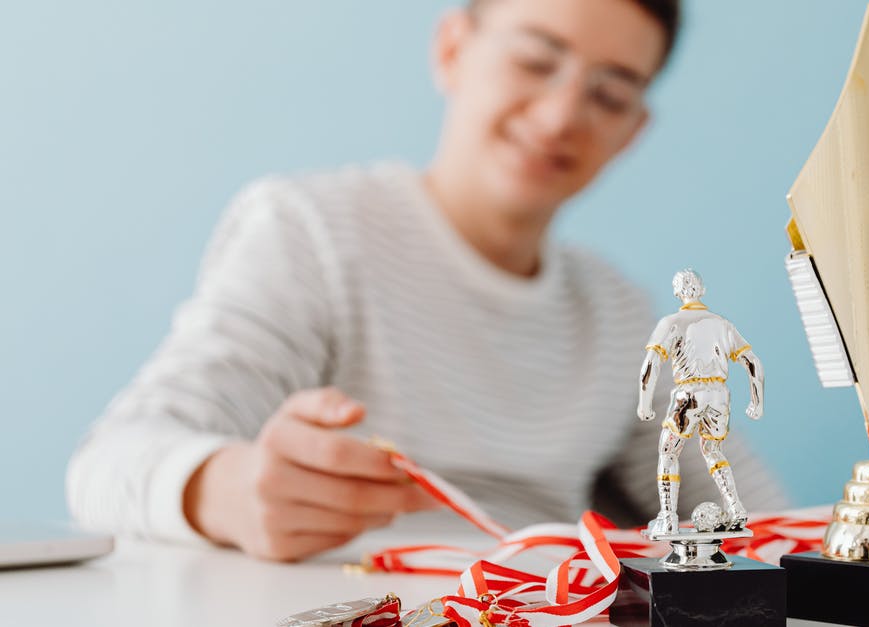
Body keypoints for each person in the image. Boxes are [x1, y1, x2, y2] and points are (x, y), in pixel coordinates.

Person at [67, 0, 786, 562]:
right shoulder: (311, 234)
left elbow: (762, 520)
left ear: (632, 130)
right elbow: (108, 464)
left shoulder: (620, 314)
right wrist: (225, 490)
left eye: (609, 94)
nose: (563, 113)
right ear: (452, 50)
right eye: (537, 60)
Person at [637, 269, 764, 535]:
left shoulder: (671, 322)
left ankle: (668, 516)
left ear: (677, 292)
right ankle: (735, 506)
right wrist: (756, 401)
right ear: (702, 290)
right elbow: (753, 362)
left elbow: (651, 364)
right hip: (719, 395)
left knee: (669, 452)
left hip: (689, 395)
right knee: (713, 451)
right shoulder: (722, 323)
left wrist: (645, 402)